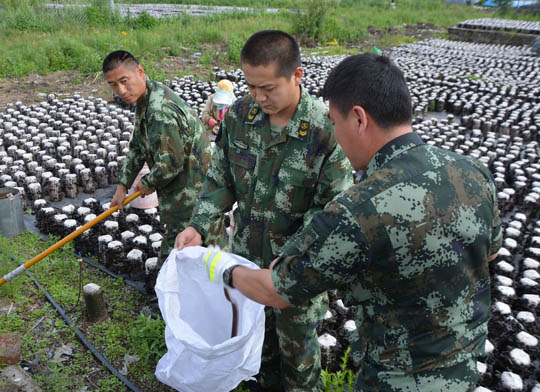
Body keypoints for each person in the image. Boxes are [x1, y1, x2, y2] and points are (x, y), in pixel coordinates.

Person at [203, 53, 502, 391]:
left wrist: (222, 268)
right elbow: (489, 255)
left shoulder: (357, 210)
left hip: (396, 379)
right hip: (464, 370)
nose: (333, 131)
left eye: (334, 121)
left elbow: (276, 291)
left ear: (359, 119)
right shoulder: (471, 172)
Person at [175, 30, 354, 391]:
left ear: (297, 76)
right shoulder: (240, 115)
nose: (259, 97)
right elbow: (222, 175)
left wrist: (290, 259)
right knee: (254, 352)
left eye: (268, 88)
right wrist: (199, 224)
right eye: (251, 86)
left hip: (294, 278)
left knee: (299, 367)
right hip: (246, 264)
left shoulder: (325, 130)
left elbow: (329, 213)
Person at [103, 50, 223, 264]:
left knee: (188, 256)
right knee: (193, 256)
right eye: (113, 85)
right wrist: (123, 185)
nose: (121, 90)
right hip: (183, 191)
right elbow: (139, 146)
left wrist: (146, 183)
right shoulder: (145, 99)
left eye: (124, 81)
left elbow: (170, 163)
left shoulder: (159, 110)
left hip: (194, 195)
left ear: (140, 71)